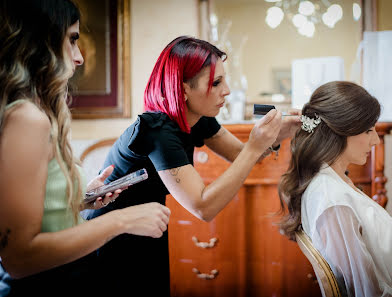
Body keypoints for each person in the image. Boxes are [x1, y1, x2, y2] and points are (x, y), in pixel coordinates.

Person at [82, 35, 301, 296]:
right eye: (216, 82)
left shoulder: (199, 117)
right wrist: (255, 146)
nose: (227, 90)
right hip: (111, 237)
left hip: (149, 224)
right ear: (184, 88)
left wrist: (280, 136)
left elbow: (242, 155)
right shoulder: (157, 130)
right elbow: (203, 206)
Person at [0, 1, 170, 296]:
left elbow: (42, 213)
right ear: (41, 41)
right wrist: (122, 220)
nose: (79, 58)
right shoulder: (27, 119)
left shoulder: (38, 115)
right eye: (72, 39)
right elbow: (19, 257)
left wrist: (83, 198)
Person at [277, 81, 392, 297]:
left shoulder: (335, 181)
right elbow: (367, 292)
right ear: (339, 131)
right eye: (368, 131)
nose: (375, 140)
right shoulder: (333, 200)